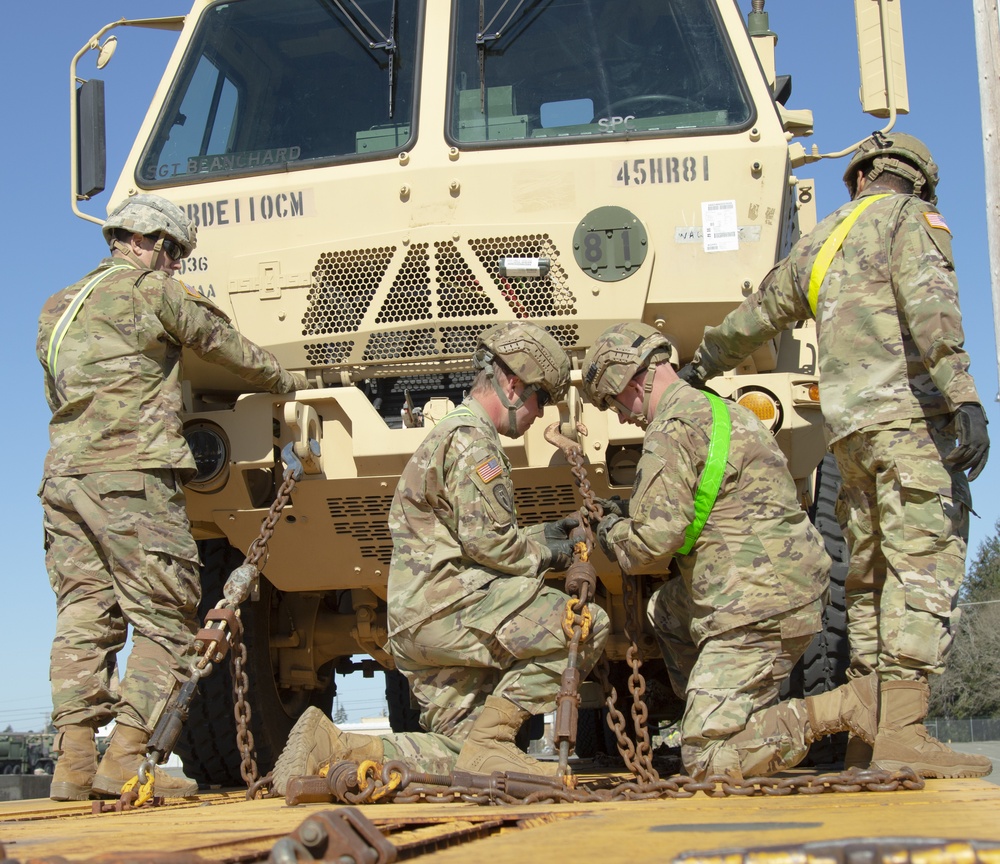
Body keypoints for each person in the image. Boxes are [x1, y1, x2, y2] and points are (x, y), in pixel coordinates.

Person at [680, 131, 992, 778]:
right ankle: (904, 735)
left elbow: (758, 314)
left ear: (858, 178)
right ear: (917, 181)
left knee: (871, 581)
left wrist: (702, 364)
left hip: (849, 439)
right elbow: (932, 308)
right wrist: (963, 394)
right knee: (922, 572)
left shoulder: (821, 240)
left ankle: (870, 740)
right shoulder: (911, 220)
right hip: (911, 426)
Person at [39, 194, 311, 801]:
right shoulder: (152, 290)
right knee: (166, 615)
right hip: (132, 476)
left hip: (64, 479)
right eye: (177, 254)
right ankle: (128, 759)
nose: (178, 266)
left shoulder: (57, 307)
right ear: (155, 243)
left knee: (85, 613)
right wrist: (286, 380)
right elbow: (220, 342)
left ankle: (74, 762)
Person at [272, 322, 609, 792]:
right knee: (587, 622)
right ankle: (495, 736)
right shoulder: (475, 442)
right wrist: (553, 551)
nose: (539, 413)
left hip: (422, 620)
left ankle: (332, 744)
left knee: (468, 760)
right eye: (539, 399)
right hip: (450, 611)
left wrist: (545, 532)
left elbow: (475, 536)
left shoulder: (452, 435)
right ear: (513, 384)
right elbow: (492, 545)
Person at [581, 322, 877, 781]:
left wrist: (610, 529)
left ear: (633, 379)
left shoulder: (670, 429)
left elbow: (646, 547)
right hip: (780, 584)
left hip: (754, 604)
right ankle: (722, 704)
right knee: (665, 610)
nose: (620, 416)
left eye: (615, 401)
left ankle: (834, 708)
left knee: (706, 763)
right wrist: (628, 511)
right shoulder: (725, 411)